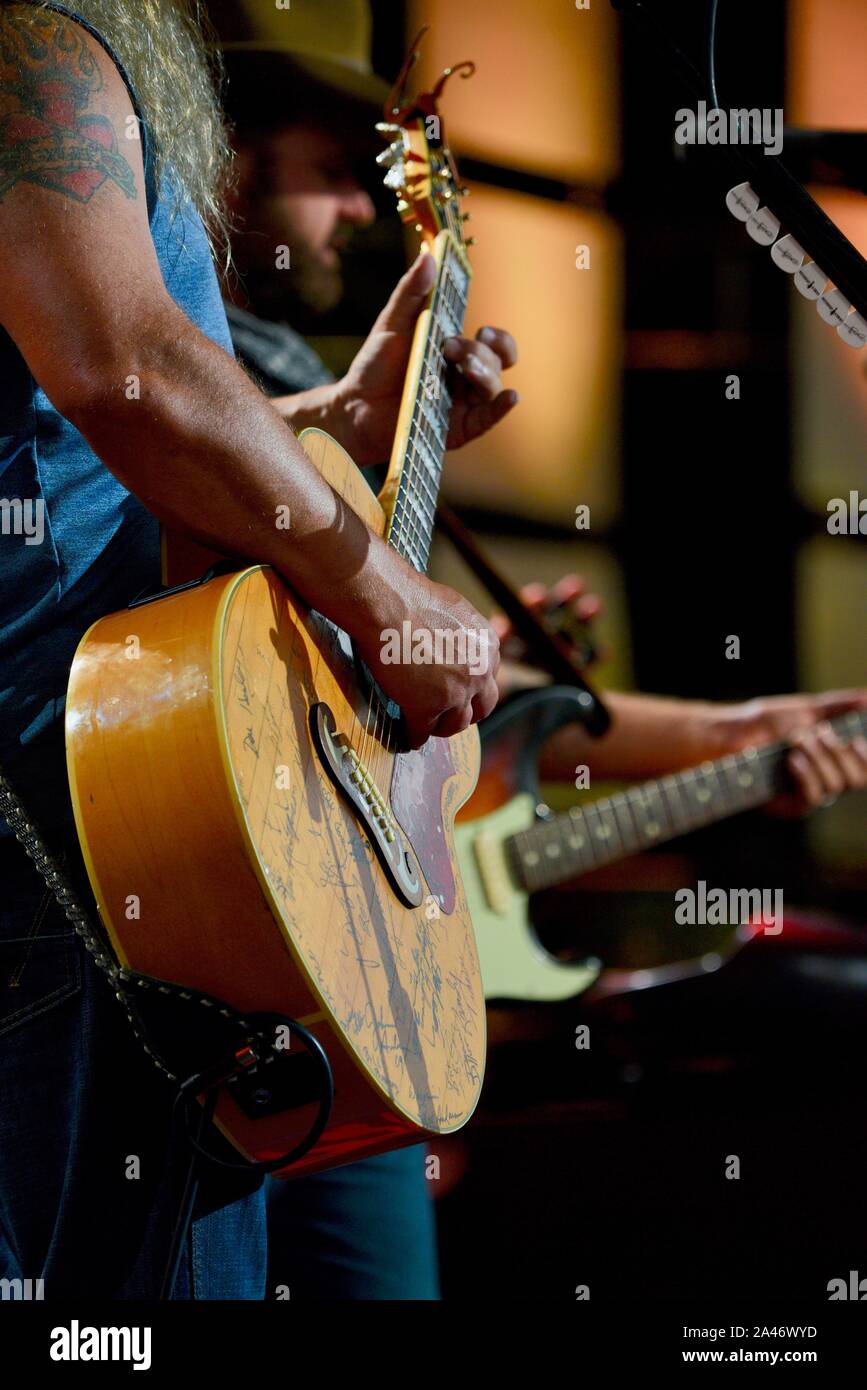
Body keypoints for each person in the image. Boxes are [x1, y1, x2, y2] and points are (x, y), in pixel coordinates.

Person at [211, 9, 867, 1301]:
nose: (351, 207)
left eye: (367, 176)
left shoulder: (293, 376)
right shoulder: (173, 394)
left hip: (373, 954)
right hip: (216, 909)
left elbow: (437, 695)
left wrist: (746, 729)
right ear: (228, 165)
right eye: (325, 171)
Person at [0, 0, 517, 1300]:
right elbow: (128, 373)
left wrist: (336, 416)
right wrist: (391, 598)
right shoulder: (31, 45)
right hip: (65, 810)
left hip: (121, 799)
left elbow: (88, 433)